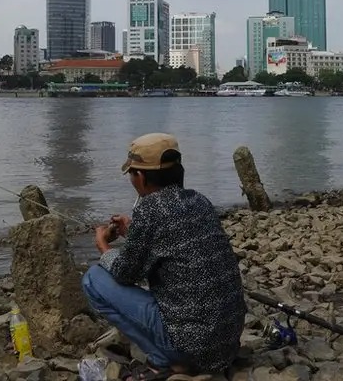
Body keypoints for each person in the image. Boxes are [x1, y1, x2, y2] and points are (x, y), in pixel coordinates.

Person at [81, 133, 246, 380]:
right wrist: (134, 230)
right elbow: (172, 240)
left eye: (132, 174)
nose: (131, 179)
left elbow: (126, 274)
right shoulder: (198, 200)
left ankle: (163, 359)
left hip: (194, 350)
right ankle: (178, 354)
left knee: (93, 279)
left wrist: (103, 246)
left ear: (141, 176)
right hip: (227, 343)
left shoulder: (150, 210)